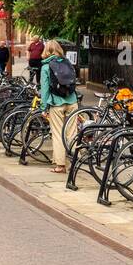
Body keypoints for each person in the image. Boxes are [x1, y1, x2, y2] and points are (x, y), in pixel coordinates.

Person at [40, 40, 80, 174]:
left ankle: (60, 165)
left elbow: (45, 90)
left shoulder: (46, 67)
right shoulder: (67, 63)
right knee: (72, 133)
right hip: (72, 101)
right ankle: (75, 162)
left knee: (58, 134)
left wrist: (43, 108)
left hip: (56, 103)